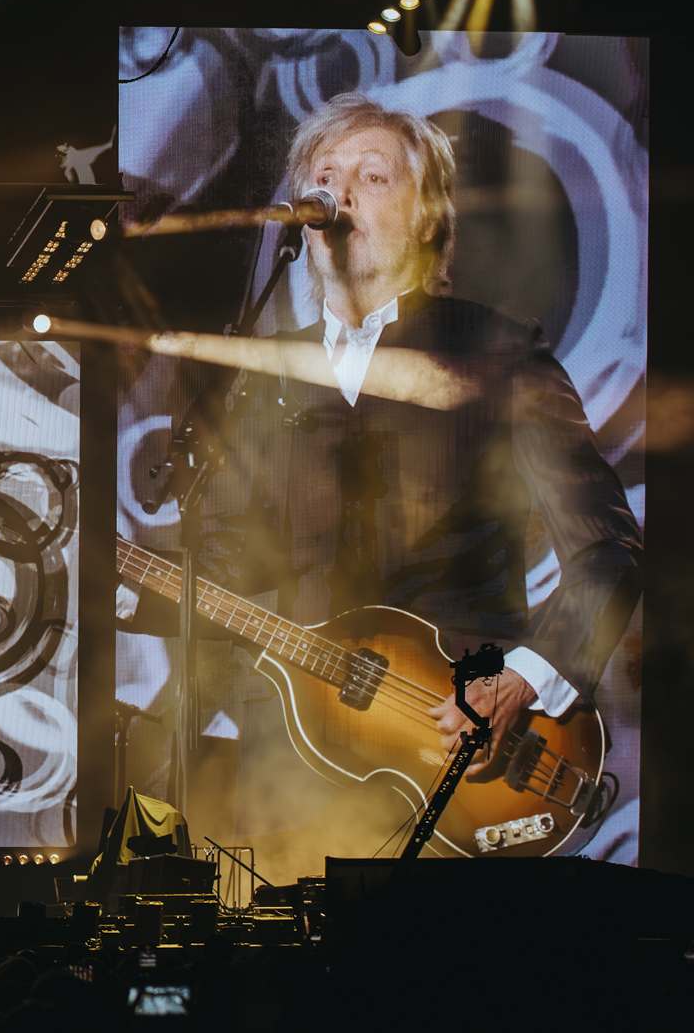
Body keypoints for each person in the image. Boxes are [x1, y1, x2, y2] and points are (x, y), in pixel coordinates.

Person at [152, 93, 644, 833]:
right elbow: (224, 569)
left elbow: (606, 547)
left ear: (425, 216)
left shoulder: (497, 350)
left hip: (460, 758)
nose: (338, 194)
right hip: (288, 771)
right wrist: (122, 579)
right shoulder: (258, 372)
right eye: (323, 175)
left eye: (372, 177)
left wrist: (522, 681)